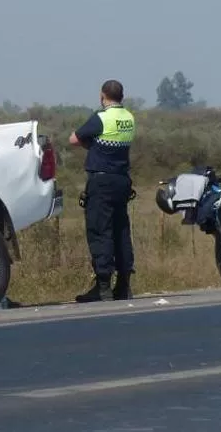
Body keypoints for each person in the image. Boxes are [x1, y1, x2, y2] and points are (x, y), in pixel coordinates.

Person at [68, 79, 136, 302]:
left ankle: (103, 286)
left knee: (100, 231)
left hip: (102, 181)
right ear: (122, 96)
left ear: (102, 95)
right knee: (121, 231)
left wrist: (92, 144)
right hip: (122, 181)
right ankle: (124, 285)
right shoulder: (129, 118)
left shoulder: (101, 117)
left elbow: (74, 139)